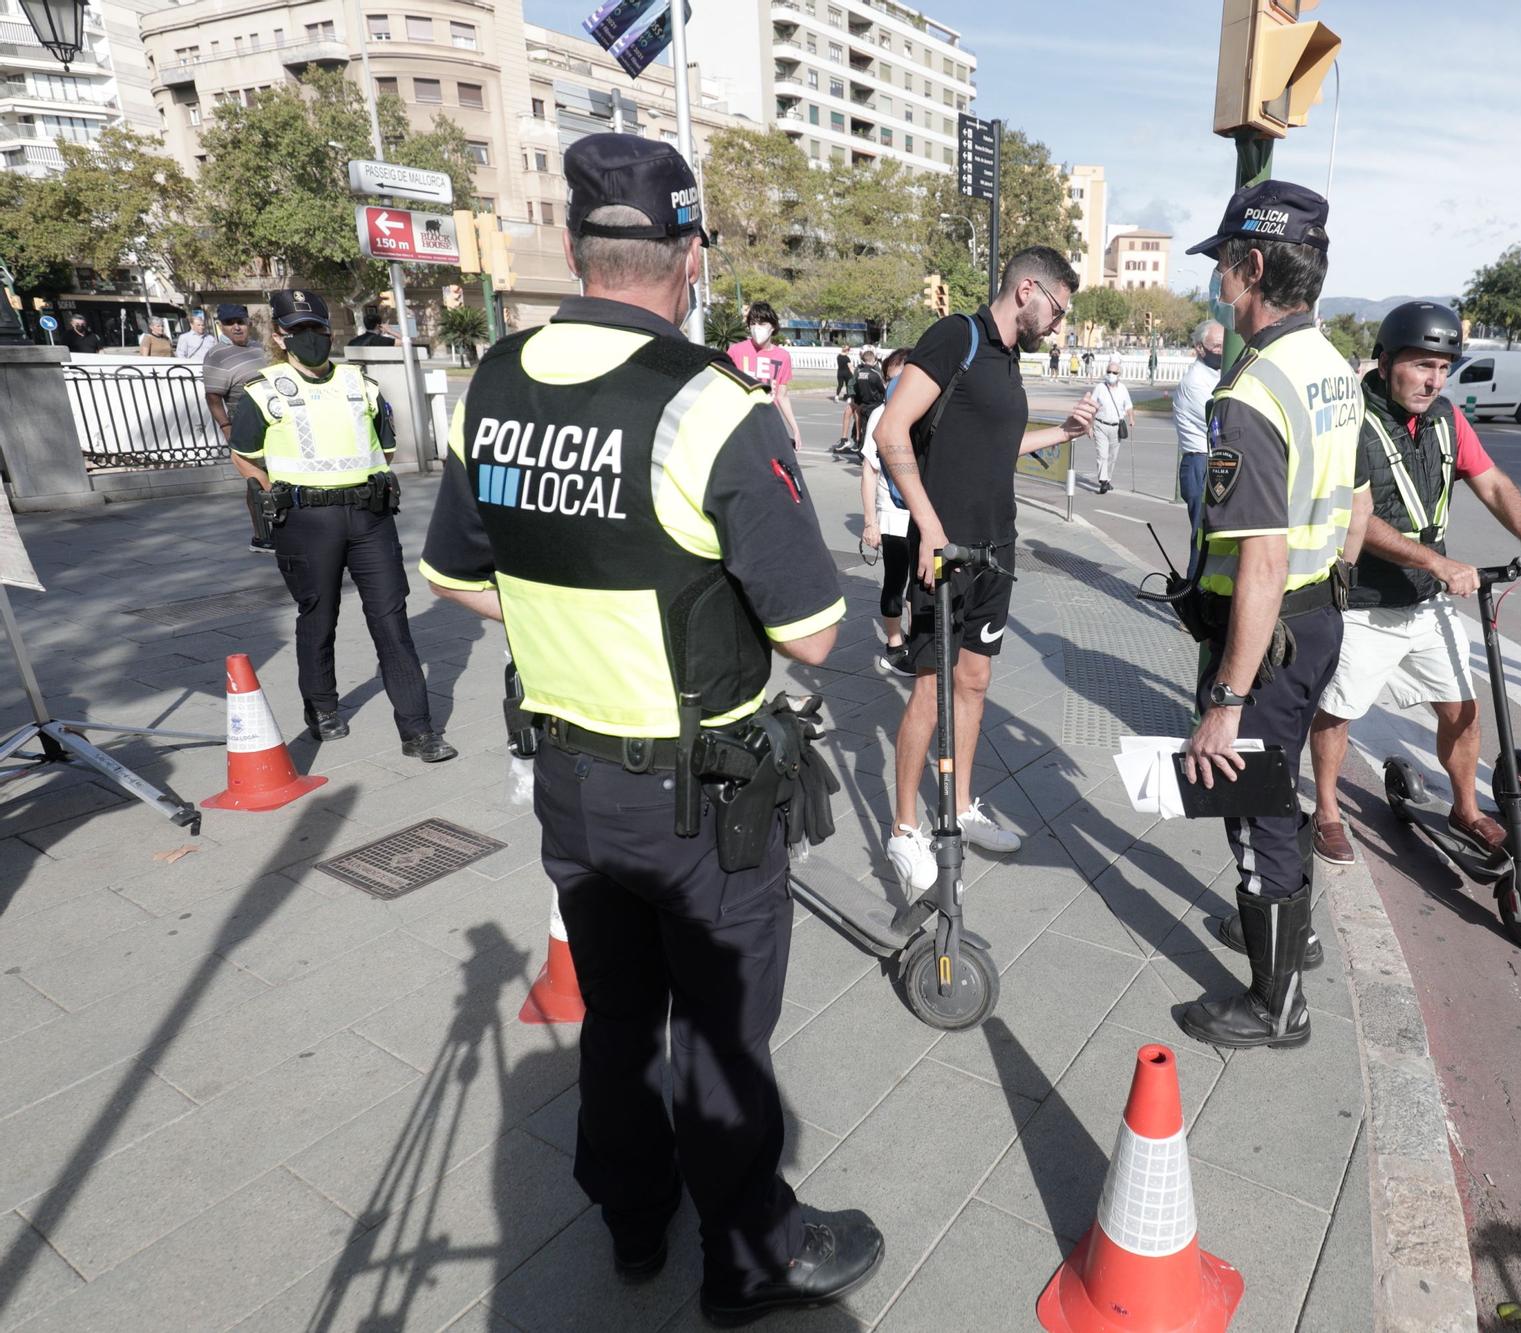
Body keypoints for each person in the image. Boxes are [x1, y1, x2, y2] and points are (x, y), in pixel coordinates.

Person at [419, 133, 882, 1320]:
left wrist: (573, 616)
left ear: (577, 252)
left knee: (616, 1014)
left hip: (568, 777)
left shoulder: (497, 377)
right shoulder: (711, 405)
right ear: (686, 259)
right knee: (721, 1033)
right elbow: (818, 633)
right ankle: (745, 1258)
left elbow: (456, 576)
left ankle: (632, 1217)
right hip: (703, 799)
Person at [1175, 181, 1371, 1050]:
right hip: (1319, 615)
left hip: (1271, 630)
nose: (1217, 276)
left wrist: (1226, 698)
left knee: (1251, 801)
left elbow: (1258, 560)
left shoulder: (1252, 390)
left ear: (1252, 266)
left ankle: (1275, 1002)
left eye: (1224, 261)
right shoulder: (1333, 368)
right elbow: (1357, 508)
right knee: (1277, 785)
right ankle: (1295, 937)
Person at [1308, 301, 1521, 866]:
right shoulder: (1351, 418)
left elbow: (1494, 484)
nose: (1433, 379)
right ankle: (1328, 812)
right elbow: (1354, 515)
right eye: (1419, 364)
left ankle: (1465, 808)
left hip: (1427, 602)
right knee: (1338, 710)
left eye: (1442, 366)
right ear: (1384, 362)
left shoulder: (1447, 419)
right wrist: (1435, 562)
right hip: (1363, 600)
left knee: (1463, 710)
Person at [870, 246, 1097, 893]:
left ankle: (962, 805)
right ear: (1027, 288)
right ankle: (904, 830)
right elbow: (892, 431)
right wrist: (930, 526)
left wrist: (1063, 433)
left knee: (973, 681)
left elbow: (996, 442)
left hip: (997, 549)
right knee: (929, 689)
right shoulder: (956, 337)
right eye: (1057, 309)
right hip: (944, 551)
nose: (1058, 324)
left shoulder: (1008, 361)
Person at [227, 287, 456, 762]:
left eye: (317, 328)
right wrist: (279, 494)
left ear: (330, 331)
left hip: (369, 516)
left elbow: (385, 447)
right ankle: (322, 708)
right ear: (279, 335)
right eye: (298, 330)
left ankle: (418, 730)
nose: (309, 337)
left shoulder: (363, 385)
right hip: (306, 521)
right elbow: (245, 457)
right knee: (319, 615)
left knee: (392, 621)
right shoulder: (261, 390)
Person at [860, 348, 916, 675]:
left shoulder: (922, 409)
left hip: (921, 515)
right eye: (892, 379)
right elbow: (869, 470)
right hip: (893, 515)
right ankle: (894, 645)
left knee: (920, 585)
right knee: (896, 580)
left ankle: (918, 638)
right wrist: (870, 521)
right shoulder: (880, 415)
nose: (898, 385)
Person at [203, 303, 274, 553]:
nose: (237, 327)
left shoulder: (259, 348)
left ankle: (281, 527)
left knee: (278, 476)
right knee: (256, 480)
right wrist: (226, 427)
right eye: (230, 322)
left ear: (248, 322)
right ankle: (261, 534)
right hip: (244, 422)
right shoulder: (217, 354)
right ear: (221, 326)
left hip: (273, 421)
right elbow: (213, 397)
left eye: (241, 321)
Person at [1172, 319, 1226, 533]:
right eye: (1217, 346)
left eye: (1225, 345)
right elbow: (1220, 422)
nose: (1221, 351)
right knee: (1202, 537)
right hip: (1199, 463)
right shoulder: (1194, 382)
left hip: (1211, 460)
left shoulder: (1216, 374)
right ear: (1200, 348)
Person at [727, 301, 802, 450]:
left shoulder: (782, 356)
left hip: (767, 421)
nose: (756, 328)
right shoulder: (736, 351)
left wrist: (795, 429)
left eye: (762, 324)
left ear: (772, 326)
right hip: (740, 422)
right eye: (753, 324)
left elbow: (782, 396)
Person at [1088, 353, 1134, 494]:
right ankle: (1103, 481)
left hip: (1116, 427)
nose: (1111, 374)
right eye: (1109, 371)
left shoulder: (1123, 389)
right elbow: (1092, 407)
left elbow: (1129, 405)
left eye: (1114, 372)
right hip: (1100, 425)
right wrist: (1089, 426)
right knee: (1102, 455)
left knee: (1112, 456)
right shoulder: (1100, 388)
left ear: (1119, 374)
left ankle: (1107, 479)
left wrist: (1131, 418)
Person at [835, 346, 887, 457]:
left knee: (857, 412)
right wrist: (852, 397)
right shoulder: (859, 368)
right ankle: (844, 439)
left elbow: (881, 386)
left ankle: (858, 440)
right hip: (859, 397)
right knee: (848, 410)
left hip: (868, 401)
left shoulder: (876, 370)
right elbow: (852, 383)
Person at [834, 345, 854, 448]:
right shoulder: (847, 358)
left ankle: (836, 396)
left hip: (839, 372)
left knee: (840, 385)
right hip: (846, 373)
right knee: (848, 385)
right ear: (848, 350)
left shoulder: (838, 356)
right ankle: (849, 397)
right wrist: (854, 373)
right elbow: (850, 367)